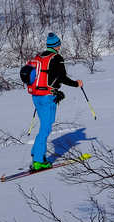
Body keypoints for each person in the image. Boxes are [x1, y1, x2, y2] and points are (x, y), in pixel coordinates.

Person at [26, 32, 82, 171]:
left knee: (45, 126)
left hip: (36, 96)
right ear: (57, 45)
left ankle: (36, 152)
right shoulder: (56, 58)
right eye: (59, 44)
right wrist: (76, 84)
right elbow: (62, 77)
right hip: (47, 97)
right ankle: (38, 161)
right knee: (46, 128)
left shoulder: (39, 57)